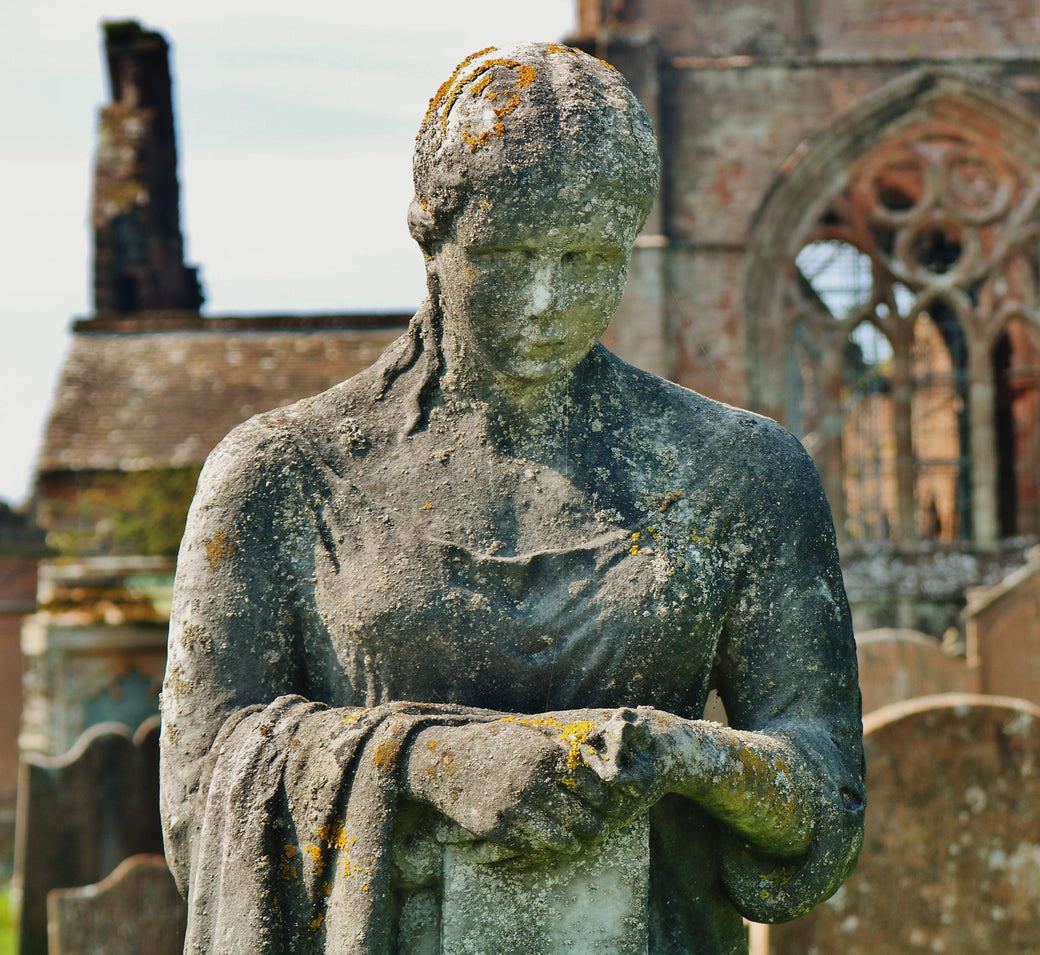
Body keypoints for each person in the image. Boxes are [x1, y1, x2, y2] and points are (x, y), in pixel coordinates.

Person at [160, 41, 864, 955]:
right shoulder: (280, 475)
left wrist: (676, 753)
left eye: (584, 257)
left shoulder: (743, 473)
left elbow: (824, 796)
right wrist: (434, 762)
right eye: (504, 253)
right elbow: (201, 794)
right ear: (430, 233)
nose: (545, 299)